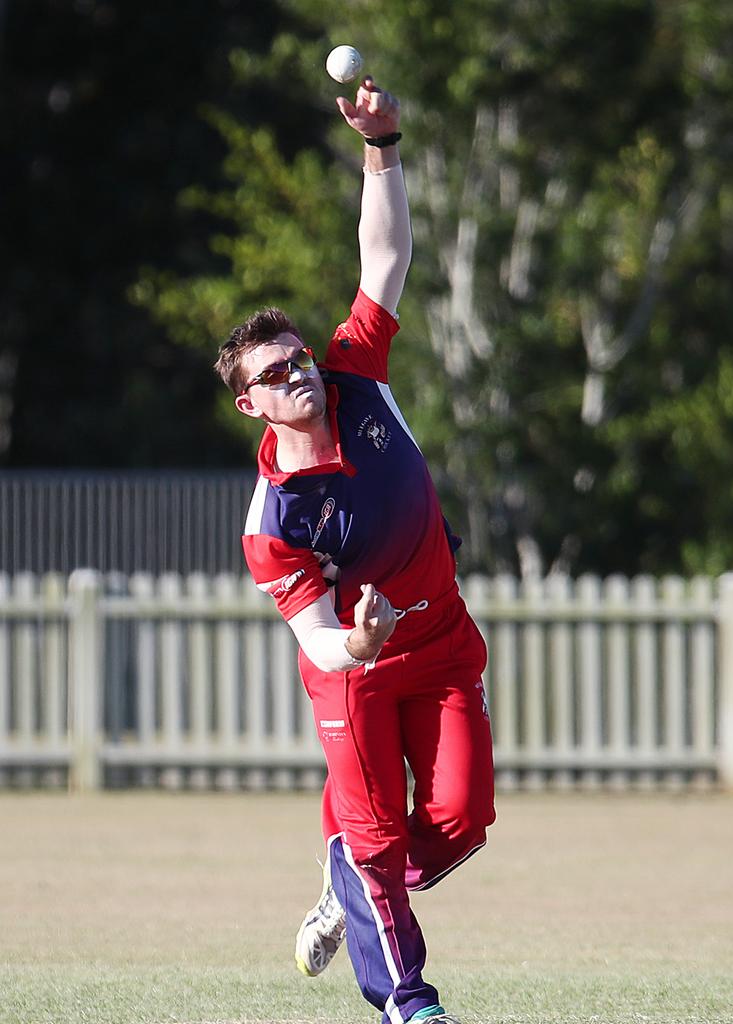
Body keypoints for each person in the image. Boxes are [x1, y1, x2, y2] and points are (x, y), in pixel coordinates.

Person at [214, 76, 495, 1024]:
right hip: (359, 672)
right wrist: (358, 645)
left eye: (296, 357)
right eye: (273, 373)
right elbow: (320, 642)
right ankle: (407, 1001)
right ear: (248, 402)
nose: (297, 373)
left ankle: (349, 883)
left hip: (444, 641)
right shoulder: (272, 521)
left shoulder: (356, 375)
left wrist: (383, 146)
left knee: (458, 822)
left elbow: (386, 256)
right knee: (375, 831)